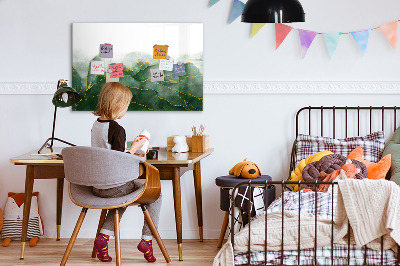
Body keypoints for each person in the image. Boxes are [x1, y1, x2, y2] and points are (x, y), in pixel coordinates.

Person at [91, 82, 161, 263]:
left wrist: (131, 150)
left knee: (121, 197)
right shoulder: (117, 129)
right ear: (118, 105)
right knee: (156, 194)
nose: (126, 109)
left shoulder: (96, 125)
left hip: (97, 186)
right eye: (126, 106)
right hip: (114, 186)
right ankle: (147, 240)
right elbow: (119, 161)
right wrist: (135, 148)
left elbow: (108, 155)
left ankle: (103, 238)